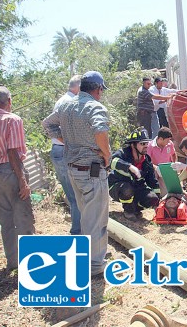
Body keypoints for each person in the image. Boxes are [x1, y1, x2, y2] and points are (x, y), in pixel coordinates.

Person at [42, 71, 111, 276]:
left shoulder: (65, 105)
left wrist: (67, 141)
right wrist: (106, 154)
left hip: (73, 169)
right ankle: (95, 266)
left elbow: (47, 124)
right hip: (92, 170)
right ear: (98, 89)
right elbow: (100, 130)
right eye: (101, 91)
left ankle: (87, 259)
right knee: (96, 220)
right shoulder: (95, 107)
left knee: (85, 217)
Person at [0, 86, 35, 270]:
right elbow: (13, 152)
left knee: (6, 221)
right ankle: (29, 263)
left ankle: (13, 263)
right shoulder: (13, 120)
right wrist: (22, 180)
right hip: (12, 171)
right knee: (23, 218)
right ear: (9, 101)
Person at [47, 75, 82, 235]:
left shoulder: (63, 101)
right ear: (79, 87)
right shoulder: (69, 103)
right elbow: (49, 125)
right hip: (64, 151)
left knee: (73, 196)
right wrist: (70, 143)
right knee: (77, 197)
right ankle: (78, 234)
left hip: (58, 150)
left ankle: (79, 232)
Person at [108, 128, 160, 219]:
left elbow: (152, 181)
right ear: (133, 145)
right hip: (118, 187)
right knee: (127, 189)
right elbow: (111, 161)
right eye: (143, 144)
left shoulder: (147, 160)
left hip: (137, 187)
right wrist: (129, 167)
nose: (146, 146)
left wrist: (158, 202)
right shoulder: (123, 153)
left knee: (152, 198)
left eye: (147, 143)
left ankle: (135, 208)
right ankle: (128, 211)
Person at [147, 127, 177, 195]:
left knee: (167, 193)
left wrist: (174, 164)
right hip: (155, 171)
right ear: (160, 139)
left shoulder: (170, 144)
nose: (168, 142)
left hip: (167, 170)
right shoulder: (150, 146)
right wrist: (157, 168)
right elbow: (147, 162)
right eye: (167, 140)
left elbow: (173, 154)